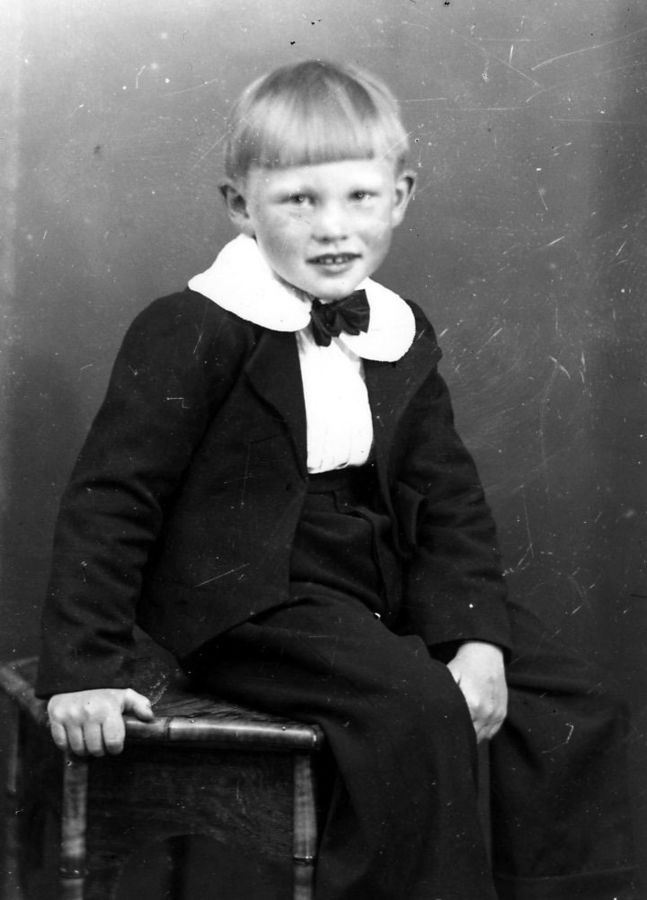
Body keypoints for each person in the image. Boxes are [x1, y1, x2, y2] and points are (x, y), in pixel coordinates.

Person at [36, 60, 640, 899]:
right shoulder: (192, 326)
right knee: (415, 710)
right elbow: (113, 498)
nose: (333, 228)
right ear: (240, 205)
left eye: (359, 197)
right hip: (255, 591)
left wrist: (476, 637)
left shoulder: (396, 327)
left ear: (400, 197)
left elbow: (447, 496)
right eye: (298, 200)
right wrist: (86, 668)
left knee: (570, 704)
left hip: (378, 570)